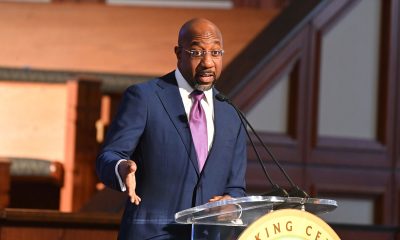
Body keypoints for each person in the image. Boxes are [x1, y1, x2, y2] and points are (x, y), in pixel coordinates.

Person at [96, 18, 247, 240]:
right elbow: (107, 157)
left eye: (216, 53)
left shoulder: (231, 113)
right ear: (179, 53)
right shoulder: (145, 98)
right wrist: (122, 167)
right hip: (152, 235)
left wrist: (231, 206)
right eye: (197, 53)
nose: (208, 62)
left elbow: (236, 189)